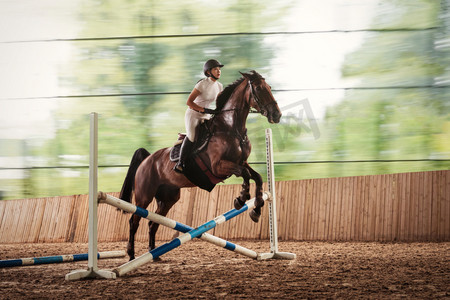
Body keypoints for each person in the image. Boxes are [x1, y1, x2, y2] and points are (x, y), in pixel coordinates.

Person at [173, 59, 224, 173]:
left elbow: (220, 104)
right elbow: (189, 102)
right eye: (216, 69)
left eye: (219, 69)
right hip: (193, 114)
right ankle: (180, 163)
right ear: (208, 72)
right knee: (191, 136)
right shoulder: (202, 84)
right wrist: (203, 109)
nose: (219, 71)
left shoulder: (219, 86)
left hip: (206, 114)